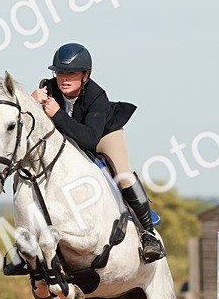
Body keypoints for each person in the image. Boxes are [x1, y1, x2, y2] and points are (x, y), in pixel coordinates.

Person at [30, 43, 164, 262]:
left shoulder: (97, 96)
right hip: (67, 138)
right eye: (60, 72)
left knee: (123, 173)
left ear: (86, 75)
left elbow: (89, 139)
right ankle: (27, 244)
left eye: (72, 73)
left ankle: (148, 235)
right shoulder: (48, 87)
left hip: (102, 136)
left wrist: (57, 114)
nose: (64, 78)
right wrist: (30, 101)